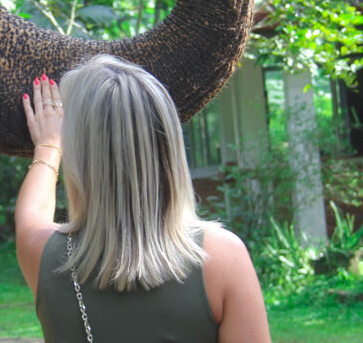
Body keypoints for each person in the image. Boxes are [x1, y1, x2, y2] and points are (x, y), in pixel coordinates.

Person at [16, 55, 271, 342]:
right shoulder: (224, 258)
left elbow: (30, 215)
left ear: (82, 159)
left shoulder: (42, 254)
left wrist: (49, 147)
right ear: (169, 147)